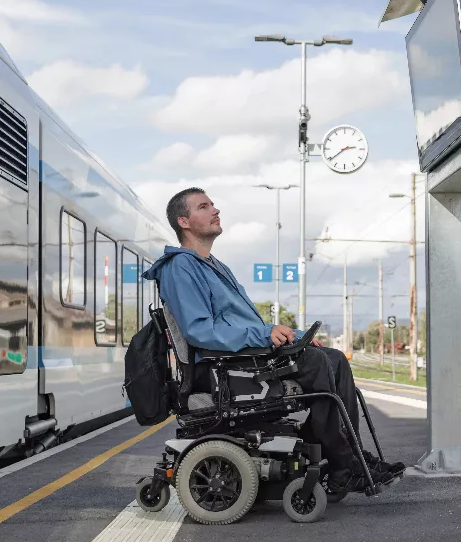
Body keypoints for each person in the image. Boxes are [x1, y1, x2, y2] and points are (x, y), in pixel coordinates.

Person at [142, 187, 405, 493]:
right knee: (317, 364)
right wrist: (265, 334)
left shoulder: (215, 266)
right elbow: (200, 331)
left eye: (213, 204)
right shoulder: (180, 267)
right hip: (218, 369)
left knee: (334, 359)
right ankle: (344, 465)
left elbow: (245, 322)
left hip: (239, 359)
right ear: (184, 222)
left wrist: (291, 339)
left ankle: (350, 458)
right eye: (204, 206)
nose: (216, 210)